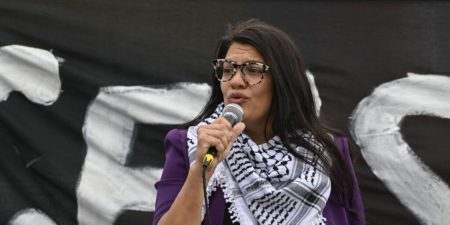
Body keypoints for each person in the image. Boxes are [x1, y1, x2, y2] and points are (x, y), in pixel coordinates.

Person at [153, 19, 365, 225]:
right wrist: (202, 169)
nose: (236, 81)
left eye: (253, 70)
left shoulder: (327, 152)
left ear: (282, 81)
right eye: (228, 70)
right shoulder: (192, 145)